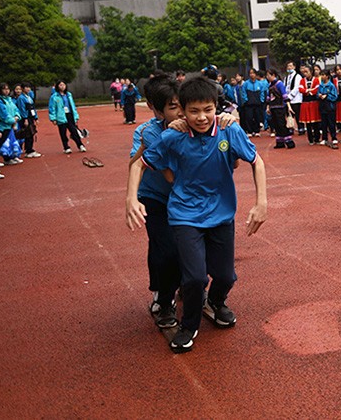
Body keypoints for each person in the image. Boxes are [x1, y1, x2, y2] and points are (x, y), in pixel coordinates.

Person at [126, 76, 267, 353]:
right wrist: (131, 198)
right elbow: (139, 165)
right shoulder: (172, 136)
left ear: (217, 107)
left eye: (208, 109)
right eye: (193, 111)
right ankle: (188, 324)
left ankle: (215, 301)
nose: (201, 117)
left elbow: (256, 161)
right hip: (185, 215)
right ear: (183, 111)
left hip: (221, 214)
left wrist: (261, 202)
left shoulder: (229, 130)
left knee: (226, 276)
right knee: (194, 278)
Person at [128, 74, 183, 330]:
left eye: (182, 104)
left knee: (187, 245)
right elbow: (167, 174)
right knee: (165, 247)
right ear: (157, 110)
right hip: (156, 197)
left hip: (185, 197)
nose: (182, 111)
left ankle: (190, 286)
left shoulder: (194, 122)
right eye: (173, 107)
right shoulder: (148, 132)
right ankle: (163, 298)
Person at [48, 80, 86, 154]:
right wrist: (53, 118)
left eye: (63, 85)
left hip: (69, 115)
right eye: (60, 85)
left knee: (74, 131)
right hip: (60, 116)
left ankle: (80, 145)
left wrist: (76, 116)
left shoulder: (69, 95)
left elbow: (73, 106)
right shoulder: (54, 96)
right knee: (63, 132)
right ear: (57, 86)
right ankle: (66, 147)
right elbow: (51, 108)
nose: (62, 86)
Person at [0, 84, 22, 166]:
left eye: (8, 89)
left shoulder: (10, 100)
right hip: (4, 126)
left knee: (11, 142)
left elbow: (16, 109)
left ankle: (11, 156)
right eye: (4, 89)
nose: (6, 91)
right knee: (3, 143)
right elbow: (2, 115)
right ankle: (6, 159)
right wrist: (13, 121)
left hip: (11, 124)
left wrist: (17, 117)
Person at [266, 68, 294, 149]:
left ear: (273, 75)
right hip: (273, 107)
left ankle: (289, 141)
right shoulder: (269, 85)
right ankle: (280, 142)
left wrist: (289, 106)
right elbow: (268, 97)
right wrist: (268, 107)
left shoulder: (279, 84)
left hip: (280, 107)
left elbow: (284, 95)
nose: (267, 77)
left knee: (281, 124)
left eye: (268, 75)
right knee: (276, 125)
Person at [298, 65, 322, 145]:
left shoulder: (316, 80)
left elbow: (317, 89)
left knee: (316, 121)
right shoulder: (302, 80)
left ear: (311, 72)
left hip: (314, 102)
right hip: (305, 103)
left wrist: (308, 91)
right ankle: (310, 139)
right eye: (304, 72)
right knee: (308, 122)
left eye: (306, 72)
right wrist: (308, 91)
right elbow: (300, 89)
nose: (305, 73)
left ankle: (317, 138)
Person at [15, 82, 40, 158]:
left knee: (31, 133)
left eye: (29, 87)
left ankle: (30, 149)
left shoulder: (29, 97)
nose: (28, 89)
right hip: (26, 118)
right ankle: (28, 150)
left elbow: (33, 108)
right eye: (26, 87)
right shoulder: (21, 98)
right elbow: (22, 109)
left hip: (31, 117)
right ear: (22, 88)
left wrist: (36, 117)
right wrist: (25, 118)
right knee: (28, 134)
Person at [317, 71, 339, 149]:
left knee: (331, 123)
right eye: (321, 75)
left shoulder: (331, 86)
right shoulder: (320, 85)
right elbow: (317, 94)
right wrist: (319, 95)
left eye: (323, 75)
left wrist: (327, 96)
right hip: (322, 106)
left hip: (330, 106)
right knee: (323, 123)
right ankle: (324, 138)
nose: (322, 77)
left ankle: (334, 137)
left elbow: (335, 96)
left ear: (327, 76)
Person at [282, 61, 304, 136]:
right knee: (289, 115)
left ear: (294, 67)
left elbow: (296, 88)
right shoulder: (286, 77)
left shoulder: (298, 76)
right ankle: (290, 128)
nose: (289, 68)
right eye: (288, 66)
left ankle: (301, 128)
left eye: (291, 66)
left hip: (296, 99)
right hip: (288, 100)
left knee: (298, 114)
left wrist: (290, 96)